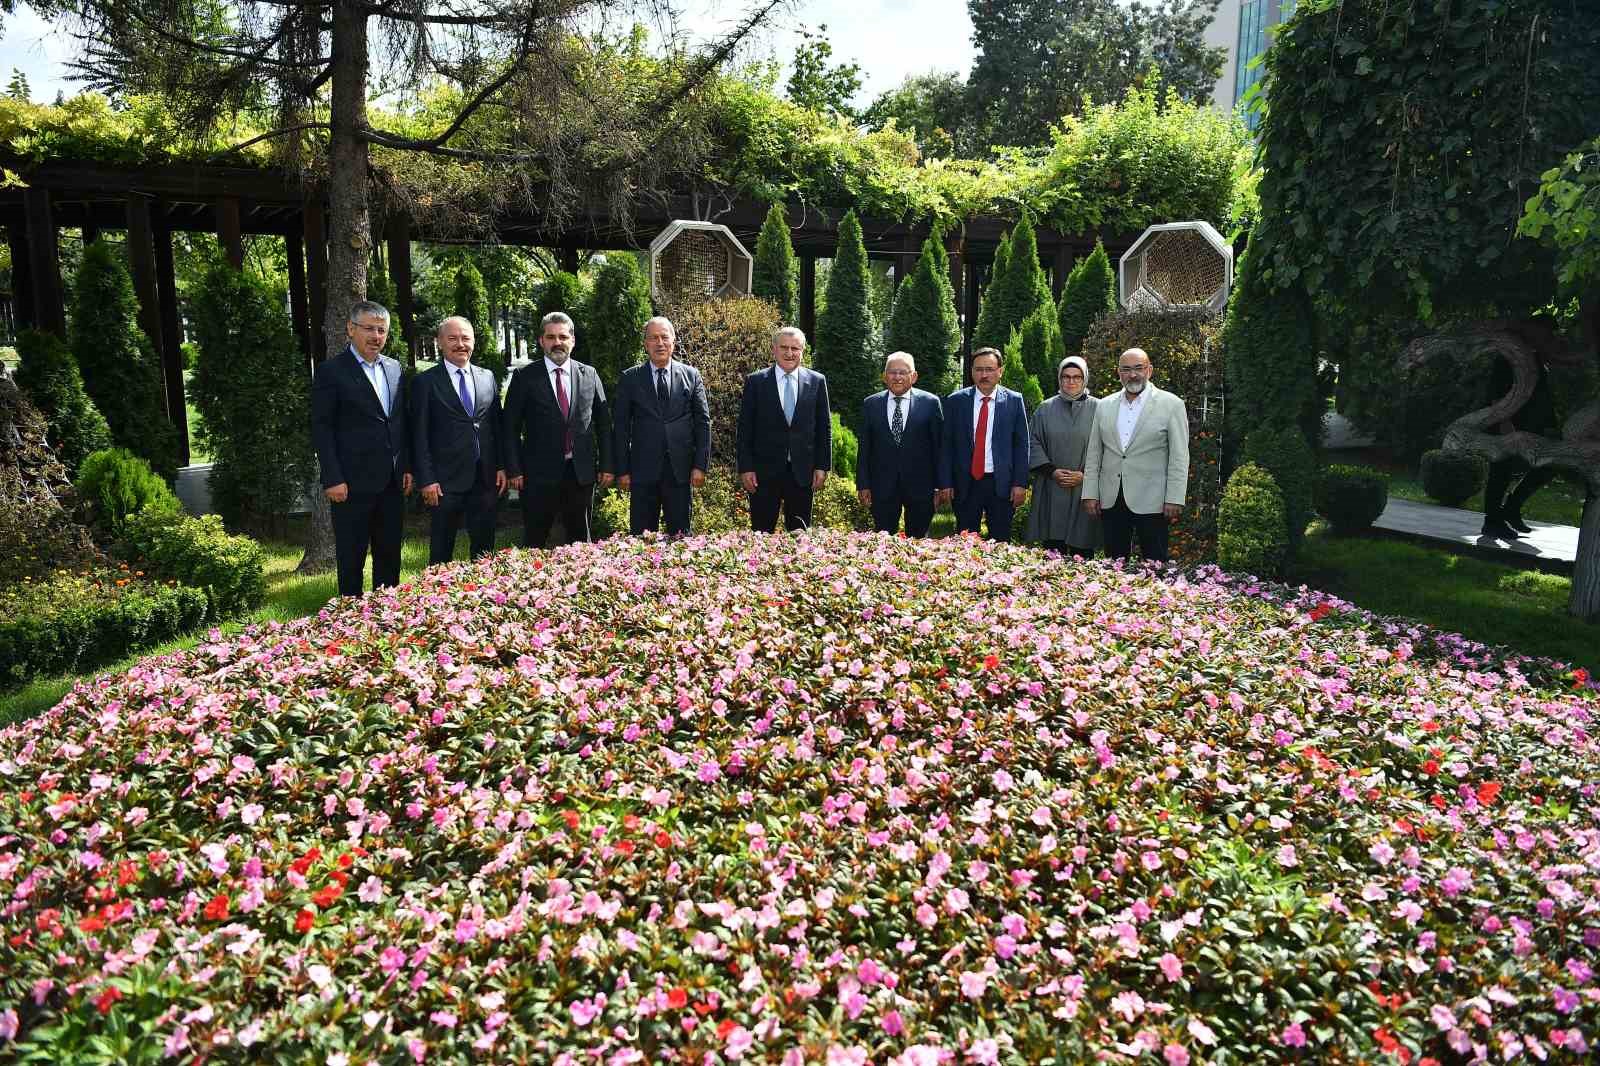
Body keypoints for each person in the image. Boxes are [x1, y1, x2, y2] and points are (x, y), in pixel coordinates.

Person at [311, 300, 412, 597]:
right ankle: (350, 619)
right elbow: (322, 427)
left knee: (390, 555)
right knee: (351, 558)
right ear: (350, 329)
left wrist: (406, 466)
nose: (376, 336)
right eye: (369, 328)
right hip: (350, 484)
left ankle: (386, 613)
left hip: (392, 482)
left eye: (382, 330)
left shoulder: (395, 369)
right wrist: (332, 477)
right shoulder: (332, 371)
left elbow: (399, 422)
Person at [504, 311, 612, 546]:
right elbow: (510, 427)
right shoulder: (525, 377)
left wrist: (606, 465)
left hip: (580, 473)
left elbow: (604, 424)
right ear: (542, 341)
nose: (557, 343)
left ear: (572, 340)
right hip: (537, 475)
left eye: (563, 337)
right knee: (535, 542)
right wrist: (513, 469)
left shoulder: (589, 374)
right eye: (551, 337)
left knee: (580, 543)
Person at [411, 316, 506, 565]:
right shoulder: (425, 382)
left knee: (485, 550)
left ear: (473, 341)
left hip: (485, 479)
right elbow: (418, 434)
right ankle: (437, 598)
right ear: (439, 342)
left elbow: (497, 426)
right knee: (442, 550)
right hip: (444, 482)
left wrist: (501, 466)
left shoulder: (487, 377)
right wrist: (427, 479)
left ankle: (484, 594)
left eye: (465, 338)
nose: (460, 344)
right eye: (452, 338)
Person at [1082, 347, 1190, 563]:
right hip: (1112, 498)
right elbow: (1094, 452)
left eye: (1138, 368)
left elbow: (1179, 456)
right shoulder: (1104, 406)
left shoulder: (1172, 405)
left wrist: (1175, 497)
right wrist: (1090, 492)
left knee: (1155, 563)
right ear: (1119, 373)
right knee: (1113, 564)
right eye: (1126, 369)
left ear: (1149, 370)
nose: (1133, 374)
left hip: (1154, 501)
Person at [612, 316, 710, 535]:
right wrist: (623, 470)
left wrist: (700, 465)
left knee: (681, 538)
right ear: (646, 344)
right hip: (642, 472)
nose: (660, 343)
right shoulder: (630, 378)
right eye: (653, 338)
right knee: (641, 539)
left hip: (680, 471)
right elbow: (620, 427)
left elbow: (703, 422)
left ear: (673, 342)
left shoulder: (691, 376)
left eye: (665, 337)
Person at [736, 326, 832, 532]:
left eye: (795, 348)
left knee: (799, 537)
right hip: (763, 474)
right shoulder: (756, 382)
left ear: (803, 351)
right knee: (761, 535)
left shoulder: (817, 381)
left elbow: (824, 428)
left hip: (802, 474)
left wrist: (822, 467)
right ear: (774, 350)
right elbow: (745, 429)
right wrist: (746, 468)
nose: (790, 353)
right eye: (784, 348)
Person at [939, 346, 1030, 541]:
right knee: (965, 541)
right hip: (966, 482)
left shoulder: (1014, 401)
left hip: (1001, 484)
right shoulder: (956, 401)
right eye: (979, 369)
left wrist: (1020, 483)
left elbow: (1021, 445)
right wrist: (945, 482)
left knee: (1000, 540)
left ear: (1000, 371)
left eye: (989, 369)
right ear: (971, 372)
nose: (984, 375)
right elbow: (946, 445)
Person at [856, 351, 945, 537]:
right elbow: (865, 448)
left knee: (919, 542)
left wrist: (940, 486)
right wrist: (863, 484)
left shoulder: (930, 403)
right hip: (882, 487)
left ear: (914, 376)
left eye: (903, 372)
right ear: (884, 376)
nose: (897, 377)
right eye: (892, 372)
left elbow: (939, 448)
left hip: (921, 487)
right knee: (883, 540)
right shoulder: (870, 404)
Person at [1024, 356, 1102, 556]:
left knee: (1082, 551)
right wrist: (1052, 471)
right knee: (1053, 550)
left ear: (1085, 378)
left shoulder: (1101, 409)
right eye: (1066, 377)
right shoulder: (1045, 409)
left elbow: (1111, 447)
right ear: (1059, 379)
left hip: (1085, 488)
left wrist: (1085, 476)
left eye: (1077, 377)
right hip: (1052, 486)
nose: (1071, 381)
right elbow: (1032, 442)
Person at [1481, 355, 1559, 539]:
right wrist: (1505, 423)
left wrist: (1549, 424)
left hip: (1535, 424)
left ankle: (1511, 508)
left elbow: (1542, 393)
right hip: (1510, 423)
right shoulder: (1508, 354)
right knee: (1501, 471)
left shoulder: (1537, 356)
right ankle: (1492, 521)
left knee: (1550, 465)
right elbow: (1496, 392)